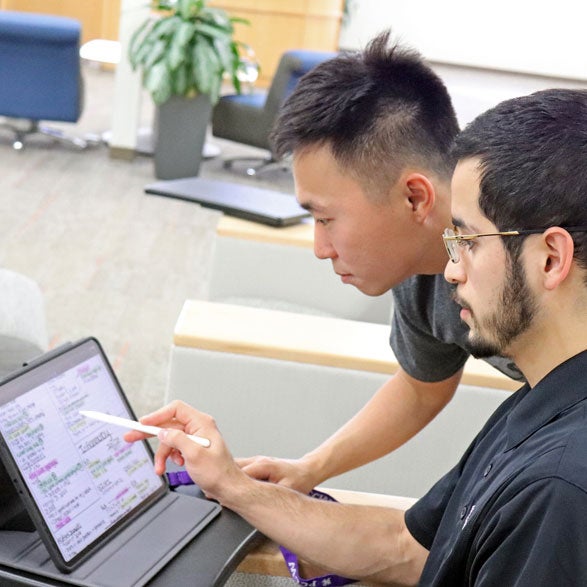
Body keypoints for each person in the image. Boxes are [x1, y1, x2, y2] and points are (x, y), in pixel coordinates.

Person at [127, 88, 587, 584]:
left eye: (468, 241)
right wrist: (240, 485)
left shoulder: (555, 486)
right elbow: (408, 547)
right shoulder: (531, 407)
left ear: (551, 259)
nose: (452, 270)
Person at [236, 30, 523, 494]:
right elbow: (421, 386)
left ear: (415, 198)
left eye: (327, 219)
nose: (320, 248)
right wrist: (308, 469)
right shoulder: (418, 263)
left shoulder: (540, 243)